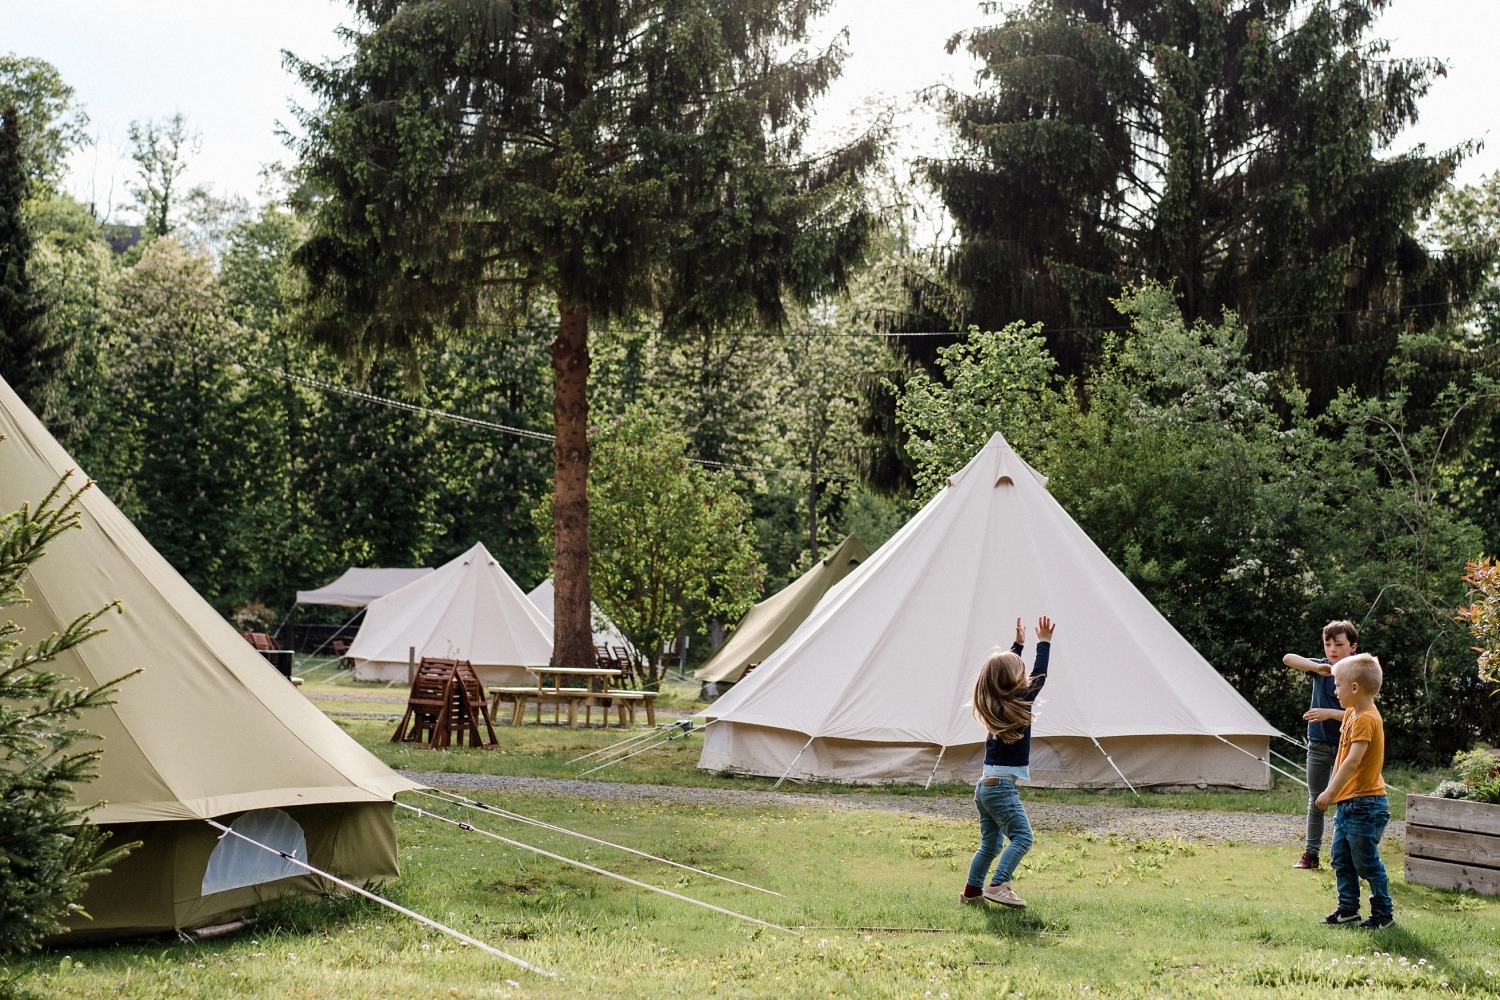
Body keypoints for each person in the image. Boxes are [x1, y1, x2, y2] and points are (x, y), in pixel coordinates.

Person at [961, 614, 1054, 909]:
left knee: (990, 845)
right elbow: (1038, 676)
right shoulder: (1019, 703)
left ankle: (972, 892)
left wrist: (1017, 646)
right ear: (1015, 682)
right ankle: (999, 884)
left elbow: (1003, 677)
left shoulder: (993, 704)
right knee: (1023, 838)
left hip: (984, 787)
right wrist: (1044, 643)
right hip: (1001, 788)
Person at [1314, 652, 1392, 929]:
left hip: (1366, 804)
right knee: (1341, 859)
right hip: (1349, 805)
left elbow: (1352, 761)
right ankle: (1348, 910)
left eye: (1337, 685)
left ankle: (1383, 914)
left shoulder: (1366, 719)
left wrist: (1329, 791)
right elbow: (1341, 757)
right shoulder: (1351, 713)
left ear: (1355, 688)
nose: (1334, 690)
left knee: (1366, 863)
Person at [1282, 620, 1358, 870]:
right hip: (1318, 744)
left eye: (1339, 644)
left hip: (1348, 747)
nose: (1332, 650)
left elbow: (1361, 713)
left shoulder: (1359, 673)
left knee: (1347, 801)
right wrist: (1320, 667)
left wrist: (1329, 713)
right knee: (1316, 800)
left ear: (1353, 647)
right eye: (1328, 644)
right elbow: (1288, 658)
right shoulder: (1321, 667)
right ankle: (1311, 855)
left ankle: (1349, 857)